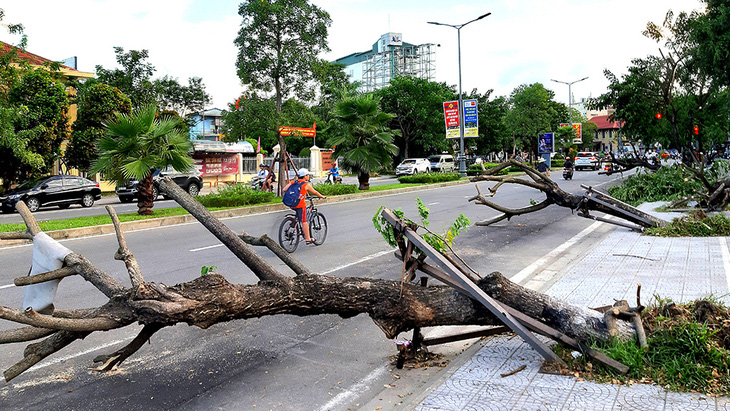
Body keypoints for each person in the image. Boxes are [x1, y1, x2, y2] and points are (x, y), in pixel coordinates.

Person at [283, 168, 326, 245]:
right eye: (308, 175)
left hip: (291, 204)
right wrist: (322, 196)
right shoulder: (305, 185)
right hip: (300, 205)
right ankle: (308, 239)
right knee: (304, 221)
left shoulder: (293, 182)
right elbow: (315, 192)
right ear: (305, 176)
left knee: (298, 216)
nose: (308, 176)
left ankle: (293, 224)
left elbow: (284, 189)